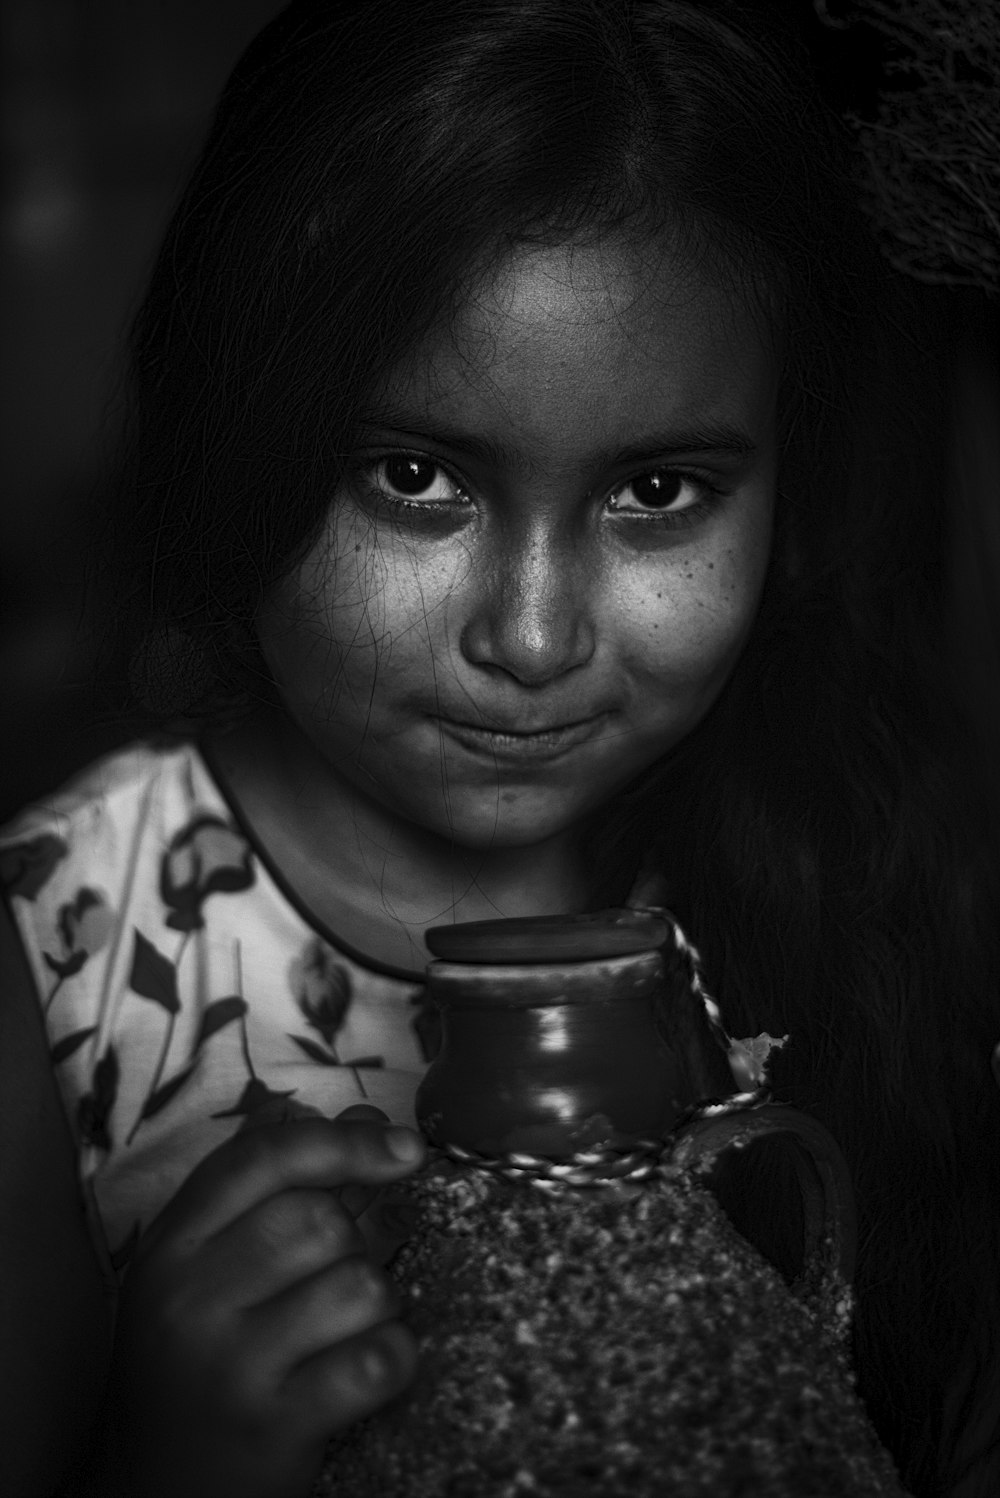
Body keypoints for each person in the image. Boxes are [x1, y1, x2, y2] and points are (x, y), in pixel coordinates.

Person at [0, 1, 996, 1494]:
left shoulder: (869, 889)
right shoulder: (62, 958)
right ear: (239, 431)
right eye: (417, 476)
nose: (533, 639)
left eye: (658, 490)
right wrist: (160, 1455)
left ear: (789, 483)